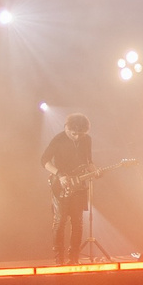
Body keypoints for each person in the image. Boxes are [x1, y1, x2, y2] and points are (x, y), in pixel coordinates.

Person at [41, 112, 96, 264]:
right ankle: (59, 258)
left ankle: (74, 258)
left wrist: (95, 171)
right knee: (60, 221)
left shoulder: (87, 140)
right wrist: (60, 175)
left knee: (78, 222)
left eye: (81, 134)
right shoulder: (58, 139)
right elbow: (44, 160)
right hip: (60, 183)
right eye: (74, 134)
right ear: (66, 128)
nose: (78, 137)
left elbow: (88, 161)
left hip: (79, 184)